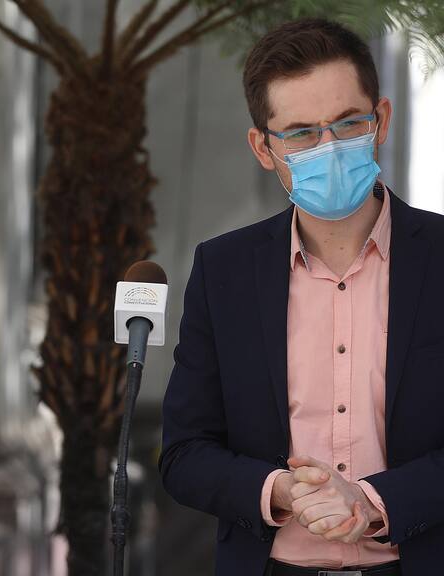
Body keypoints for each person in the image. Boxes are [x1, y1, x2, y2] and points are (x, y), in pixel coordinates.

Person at [160, 18, 444, 576]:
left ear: (381, 119)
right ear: (264, 149)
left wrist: (375, 502)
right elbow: (184, 453)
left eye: (347, 123)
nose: (329, 148)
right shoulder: (223, 271)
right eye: (301, 134)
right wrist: (279, 490)